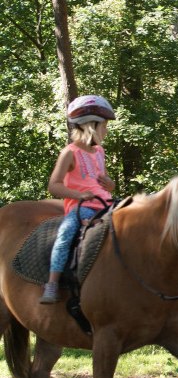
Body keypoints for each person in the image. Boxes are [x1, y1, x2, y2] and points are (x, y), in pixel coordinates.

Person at [39, 95, 116, 304]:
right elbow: (54, 185)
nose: (106, 131)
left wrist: (109, 184)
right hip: (81, 208)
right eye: (104, 126)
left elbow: (105, 184)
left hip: (106, 205)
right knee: (65, 234)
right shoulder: (69, 153)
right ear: (91, 125)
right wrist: (79, 195)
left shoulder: (100, 151)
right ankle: (52, 284)